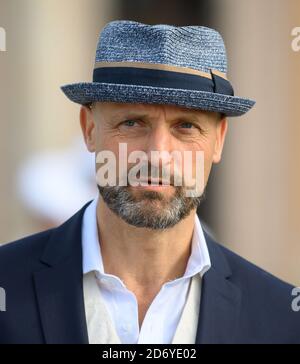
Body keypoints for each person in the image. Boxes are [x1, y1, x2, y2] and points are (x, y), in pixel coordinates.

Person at [0, 20, 299, 344]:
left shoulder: (281, 318)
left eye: (185, 126)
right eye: (132, 122)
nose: (157, 154)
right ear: (89, 129)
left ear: (219, 140)